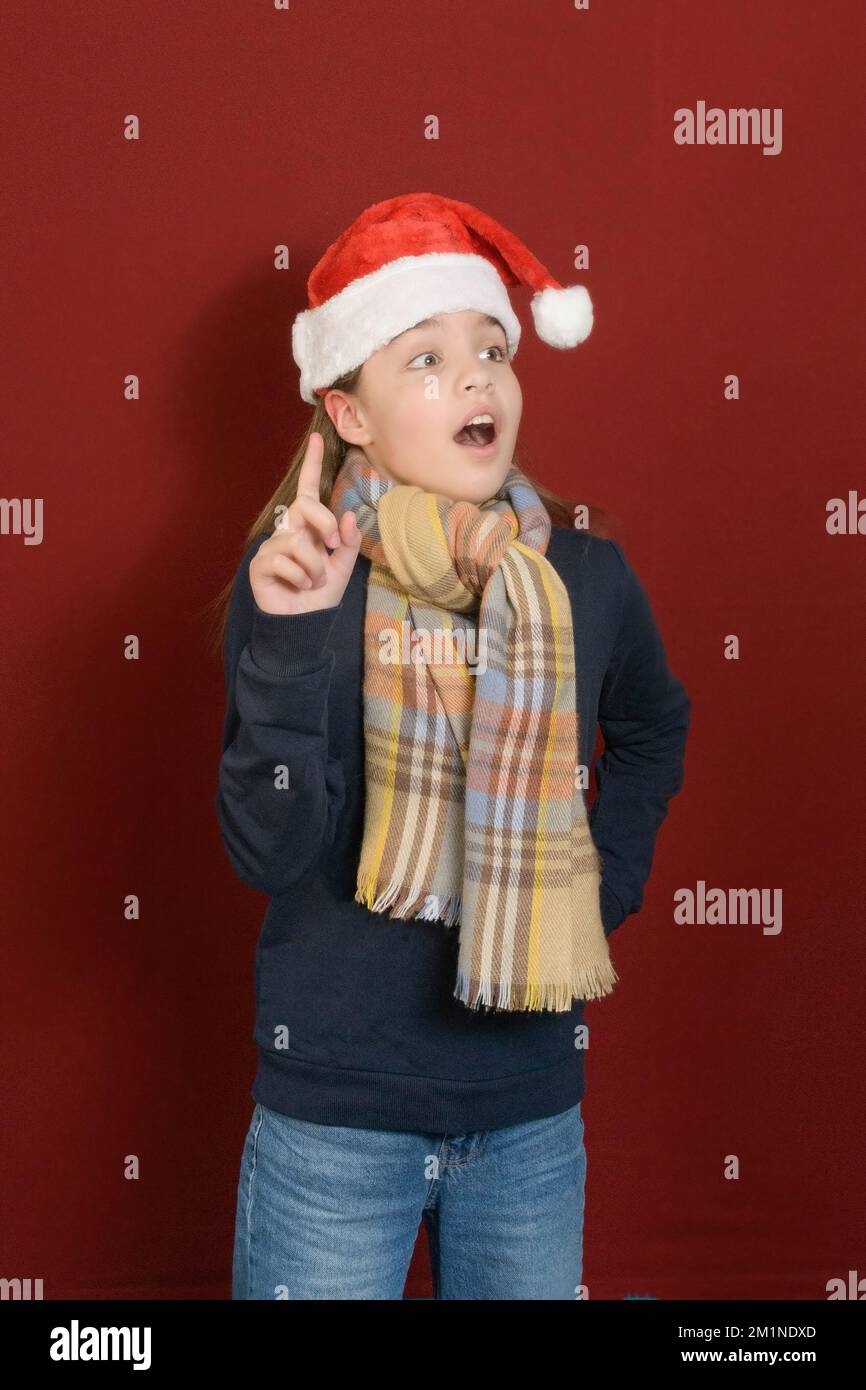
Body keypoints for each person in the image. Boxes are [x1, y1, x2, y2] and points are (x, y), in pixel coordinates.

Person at [212, 192, 691, 1299]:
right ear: (349, 414)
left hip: (525, 1117)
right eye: (423, 360)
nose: (474, 377)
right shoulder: (297, 580)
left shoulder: (581, 577)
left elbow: (655, 729)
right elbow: (266, 853)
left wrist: (596, 881)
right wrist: (284, 648)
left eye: (489, 349)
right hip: (334, 1125)